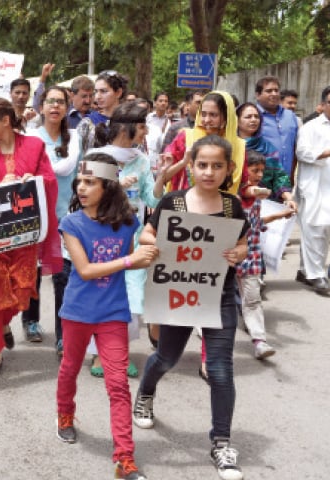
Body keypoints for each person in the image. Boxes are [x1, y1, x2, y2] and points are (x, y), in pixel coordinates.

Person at [133, 135, 250, 480]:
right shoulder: (173, 201)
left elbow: (242, 243)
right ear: (191, 166)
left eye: (217, 166)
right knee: (167, 357)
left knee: (220, 370)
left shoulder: (232, 206)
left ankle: (222, 442)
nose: (209, 172)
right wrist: (166, 243)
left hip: (221, 296)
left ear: (229, 168)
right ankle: (146, 390)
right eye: (202, 165)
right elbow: (145, 235)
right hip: (180, 294)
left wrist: (238, 253)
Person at [55, 153, 156, 480]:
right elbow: (84, 270)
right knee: (70, 369)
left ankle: (124, 458)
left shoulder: (128, 223)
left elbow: (145, 247)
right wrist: (131, 261)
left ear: (108, 186)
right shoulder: (71, 223)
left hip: (113, 313)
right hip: (78, 312)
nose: (81, 188)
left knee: (118, 385)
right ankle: (65, 415)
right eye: (80, 181)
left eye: (90, 182)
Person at [0, 98, 61, 376]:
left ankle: (4, 324)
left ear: (6, 120)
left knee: (21, 291)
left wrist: (29, 182)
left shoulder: (34, 147)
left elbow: (49, 180)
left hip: (24, 236)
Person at [86, 101, 168, 377]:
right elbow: (83, 195)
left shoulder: (142, 160)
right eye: (143, 126)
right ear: (126, 128)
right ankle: (98, 356)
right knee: (101, 295)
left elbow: (152, 198)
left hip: (131, 238)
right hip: (99, 237)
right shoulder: (97, 156)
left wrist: (163, 177)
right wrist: (114, 186)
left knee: (131, 300)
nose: (146, 132)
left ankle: (119, 353)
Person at [27, 86, 81, 354]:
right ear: (41, 106)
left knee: (63, 276)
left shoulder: (75, 139)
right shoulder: (31, 137)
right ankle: (31, 321)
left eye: (61, 102)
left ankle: (63, 335)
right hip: (36, 214)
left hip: (66, 215)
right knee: (34, 272)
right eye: (51, 101)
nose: (55, 107)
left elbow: (75, 172)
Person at [236, 151, 294, 359]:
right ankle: (203, 330)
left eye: (262, 171)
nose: (259, 174)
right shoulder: (239, 191)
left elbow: (255, 223)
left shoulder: (257, 198)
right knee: (215, 297)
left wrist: (279, 216)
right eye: (254, 170)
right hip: (227, 255)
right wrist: (259, 191)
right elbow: (248, 191)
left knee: (252, 300)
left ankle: (259, 340)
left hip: (250, 254)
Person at [161, 91, 245, 195]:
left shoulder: (239, 146)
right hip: (184, 207)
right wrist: (183, 162)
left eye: (213, 115)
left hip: (223, 208)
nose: (206, 120)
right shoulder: (186, 138)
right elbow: (162, 177)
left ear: (226, 117)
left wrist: (251, 190)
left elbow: (244, 184)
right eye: (203, 114)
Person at [294, 85, 330, 294]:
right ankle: (316, 275)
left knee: (324, 231)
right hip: (316, 187)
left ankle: (303, 270)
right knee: (315, 231)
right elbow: (303, 152)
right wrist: (326, 152)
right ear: (324, 104)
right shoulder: (311, 127)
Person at [235, 102, 297, 210]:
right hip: (234, 202)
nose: (253, 120)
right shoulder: (229, 145)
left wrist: (288, 197)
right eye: (248, 117)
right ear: (237, 120)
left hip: (264, 203)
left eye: (257, 116)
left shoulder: (268, 147)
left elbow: (279, 175)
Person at [256, 76, 299, 178]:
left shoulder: (290, 116)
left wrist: (292, 177)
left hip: (285, 179)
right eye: (269, 91)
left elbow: (294, 146)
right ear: (258, 95)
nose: (274, 94)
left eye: (276, 90)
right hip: (261, 180)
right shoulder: (252, 115)